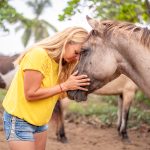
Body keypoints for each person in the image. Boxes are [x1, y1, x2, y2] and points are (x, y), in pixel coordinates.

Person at [2, 26, 90, 150]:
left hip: (41, 123)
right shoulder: (39, 55)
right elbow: (30, 94)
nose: (77, 59)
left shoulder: (62, 64)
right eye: (76, 52)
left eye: (80, 56)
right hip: (20, 121)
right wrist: (64, 86)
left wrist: (77, 87)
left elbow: (57, 94)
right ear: (66, 41)